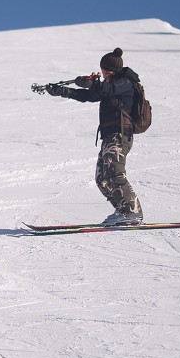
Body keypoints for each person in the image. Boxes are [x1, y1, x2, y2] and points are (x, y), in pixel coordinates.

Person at [45, 47, 143, 225]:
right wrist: (63, 91)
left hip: (120, 135)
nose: (101, 72)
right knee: (102, 179)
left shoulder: (125, 82)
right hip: (109, 137)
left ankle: (132, 213)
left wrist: (91, 83)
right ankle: (121, 211)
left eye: (103, 68)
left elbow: (106, 89)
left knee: (115, 174)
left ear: (109, 69)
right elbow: (89, 96)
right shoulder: (110, 84)